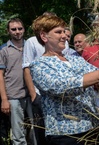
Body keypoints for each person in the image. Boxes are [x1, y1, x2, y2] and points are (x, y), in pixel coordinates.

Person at [29, 14, 99, 145]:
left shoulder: (76, 59)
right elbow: (60, 87)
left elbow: (97, 74)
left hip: (92, 127)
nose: (64, 35)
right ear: (44, 36)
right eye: (58, 32)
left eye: (64, 31)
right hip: (65, 134)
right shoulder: (39, 65)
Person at [22, 13, 75, 145]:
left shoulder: (64, 43)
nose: (62, 34)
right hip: (41, 94)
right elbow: (26, 67)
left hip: (63, 95)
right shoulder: (31, 42)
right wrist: (34, 95)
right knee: (42, 132)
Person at [0, 18, 37, 145]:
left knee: (36, 129)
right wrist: (4, 99)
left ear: (24, 29)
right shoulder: (3, 49)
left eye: (20, 28)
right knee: (18, 133)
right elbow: (0, 75)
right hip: (14, 95)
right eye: (13, 29)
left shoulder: (31, 46)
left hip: (33, 94)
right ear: (8, 31)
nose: (17, 32)